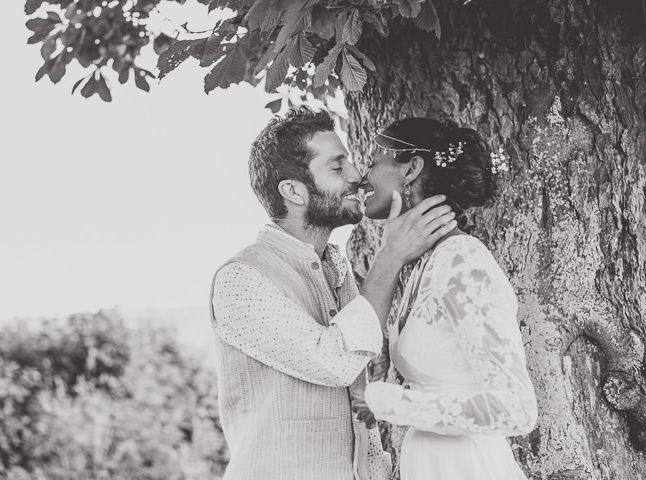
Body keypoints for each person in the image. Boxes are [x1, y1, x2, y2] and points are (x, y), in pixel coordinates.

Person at [209, 107, 457, 480]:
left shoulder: (337, 271)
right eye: (337, 168)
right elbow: (336, 360)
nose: (358, 177)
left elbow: (356, 408)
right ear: (293, 191)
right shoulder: (241, 279)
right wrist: (389, 257)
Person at [352, 118, 539, 479]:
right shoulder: (428, 263)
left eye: (375, 159)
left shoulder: (462, 261)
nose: (365, 173)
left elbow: (516, 408)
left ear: (412, 168)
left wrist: (386, 401)